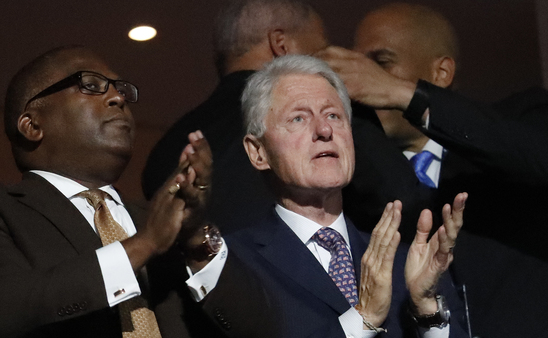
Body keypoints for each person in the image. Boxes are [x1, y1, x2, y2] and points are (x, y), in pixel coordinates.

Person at [0, 46, 274, 338]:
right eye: (91, 85)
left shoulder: (163, 218)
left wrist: (195, 241)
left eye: (121, 89)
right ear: (32, 124)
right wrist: (141, 247)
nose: (118, 97)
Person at [191, 54, 501, 338]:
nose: (324, 131)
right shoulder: (233, 264)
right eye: (298, 118)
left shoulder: (408, 261)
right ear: (258, 152)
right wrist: (362, 319)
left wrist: (430, 314)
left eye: (334, 115)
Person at [317, 3, 548, 338]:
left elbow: (544, 159)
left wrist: (402, 94)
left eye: (379, 62)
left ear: (441, 73)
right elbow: (406, 205)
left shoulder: (519, 118)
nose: (360, 79)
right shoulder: (358, 184)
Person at [142, 0, 389, 234]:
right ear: (281, 45)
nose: (323, 129)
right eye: (322, 51)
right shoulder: (335, 115)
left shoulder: (163, 152)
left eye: (333, 115)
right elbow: (402, 201)